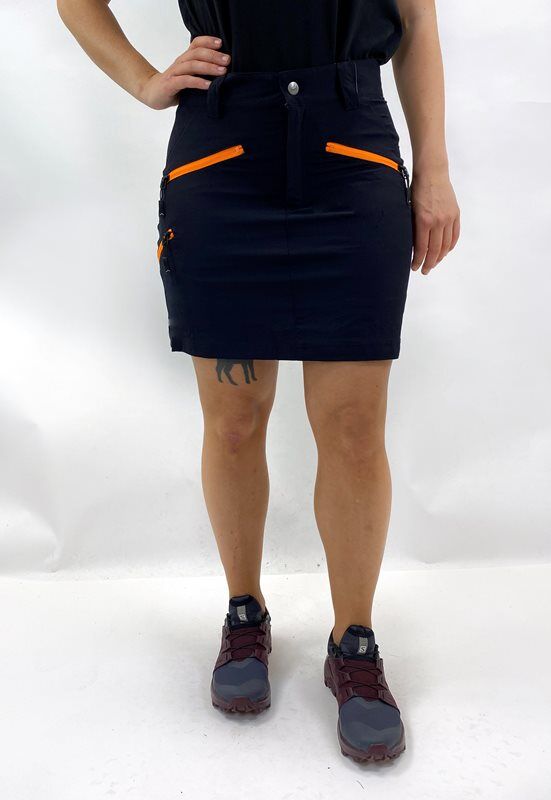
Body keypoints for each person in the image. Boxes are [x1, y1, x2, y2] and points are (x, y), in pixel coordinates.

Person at [57, 0, 460, 763]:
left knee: (353, 428)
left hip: (352, 154)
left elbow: (416, 20)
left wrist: (433, 171)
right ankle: (245, 614)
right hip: (221, 159)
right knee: (234, 420)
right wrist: (145, 81)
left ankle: (354, 642)